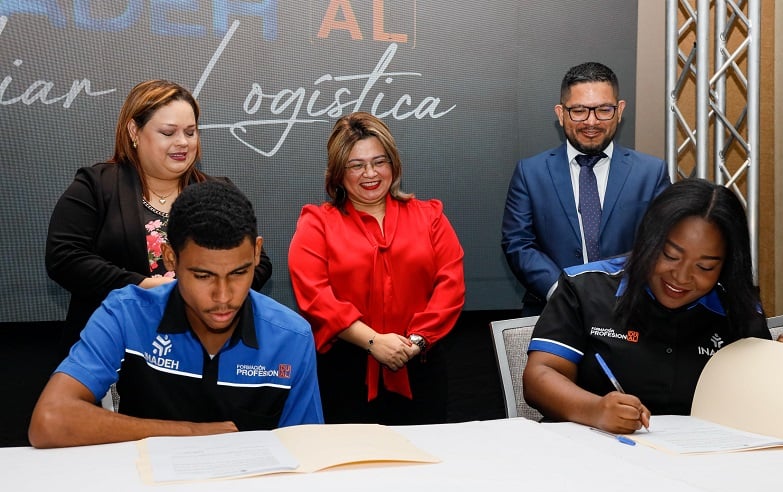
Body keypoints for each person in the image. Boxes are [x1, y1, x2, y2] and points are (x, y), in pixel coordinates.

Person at [29, 181, 322, 448]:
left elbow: (308, 450)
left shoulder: (291, 337)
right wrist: (193, 433)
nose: (223, 296)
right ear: (171, 258)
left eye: (239, 273)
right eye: (202, 275)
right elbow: (50, 421)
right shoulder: (126, 313)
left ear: (257, 253)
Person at [522, 178, 770, 433]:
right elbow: (540, 376)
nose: (682, 277)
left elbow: (763, 399)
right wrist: (594, 410)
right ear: (648, 240)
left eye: (705, 267)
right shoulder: (585, 288)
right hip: (593, 450)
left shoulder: (739, 308)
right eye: (670, 256)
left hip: (701, 459)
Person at [45, 79, 272, 358]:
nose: (182, 143)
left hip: (200, 350)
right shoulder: (96, 185)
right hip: (113, 347)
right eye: (168, 132)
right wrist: (144, 286)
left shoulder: (218, 192)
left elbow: (259, 263)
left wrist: (208, 292)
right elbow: (64, 257)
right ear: (134, 131)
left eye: (190, 132)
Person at [288, 112, 465, 425]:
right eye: (356, 165)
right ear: (338, 172)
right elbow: (314, 296)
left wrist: (416, 342)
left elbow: (451, 286)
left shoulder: (430, 216)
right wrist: (373, 341)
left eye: (379, 161)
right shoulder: (316, 223)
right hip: (345, 372)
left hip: (420, 365)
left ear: (393, 165)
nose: (369, 173)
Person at [502, 62, 671, 315]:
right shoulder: (530, 173)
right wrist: (563, 292)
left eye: (604, 110)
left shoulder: (651, 172)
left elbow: (662, 243)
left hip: (631, 312)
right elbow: (518, 243)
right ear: (560, 113)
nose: (591, 122)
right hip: (552, 311)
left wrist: (618, 290)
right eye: (579, 111)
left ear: (620, 110)